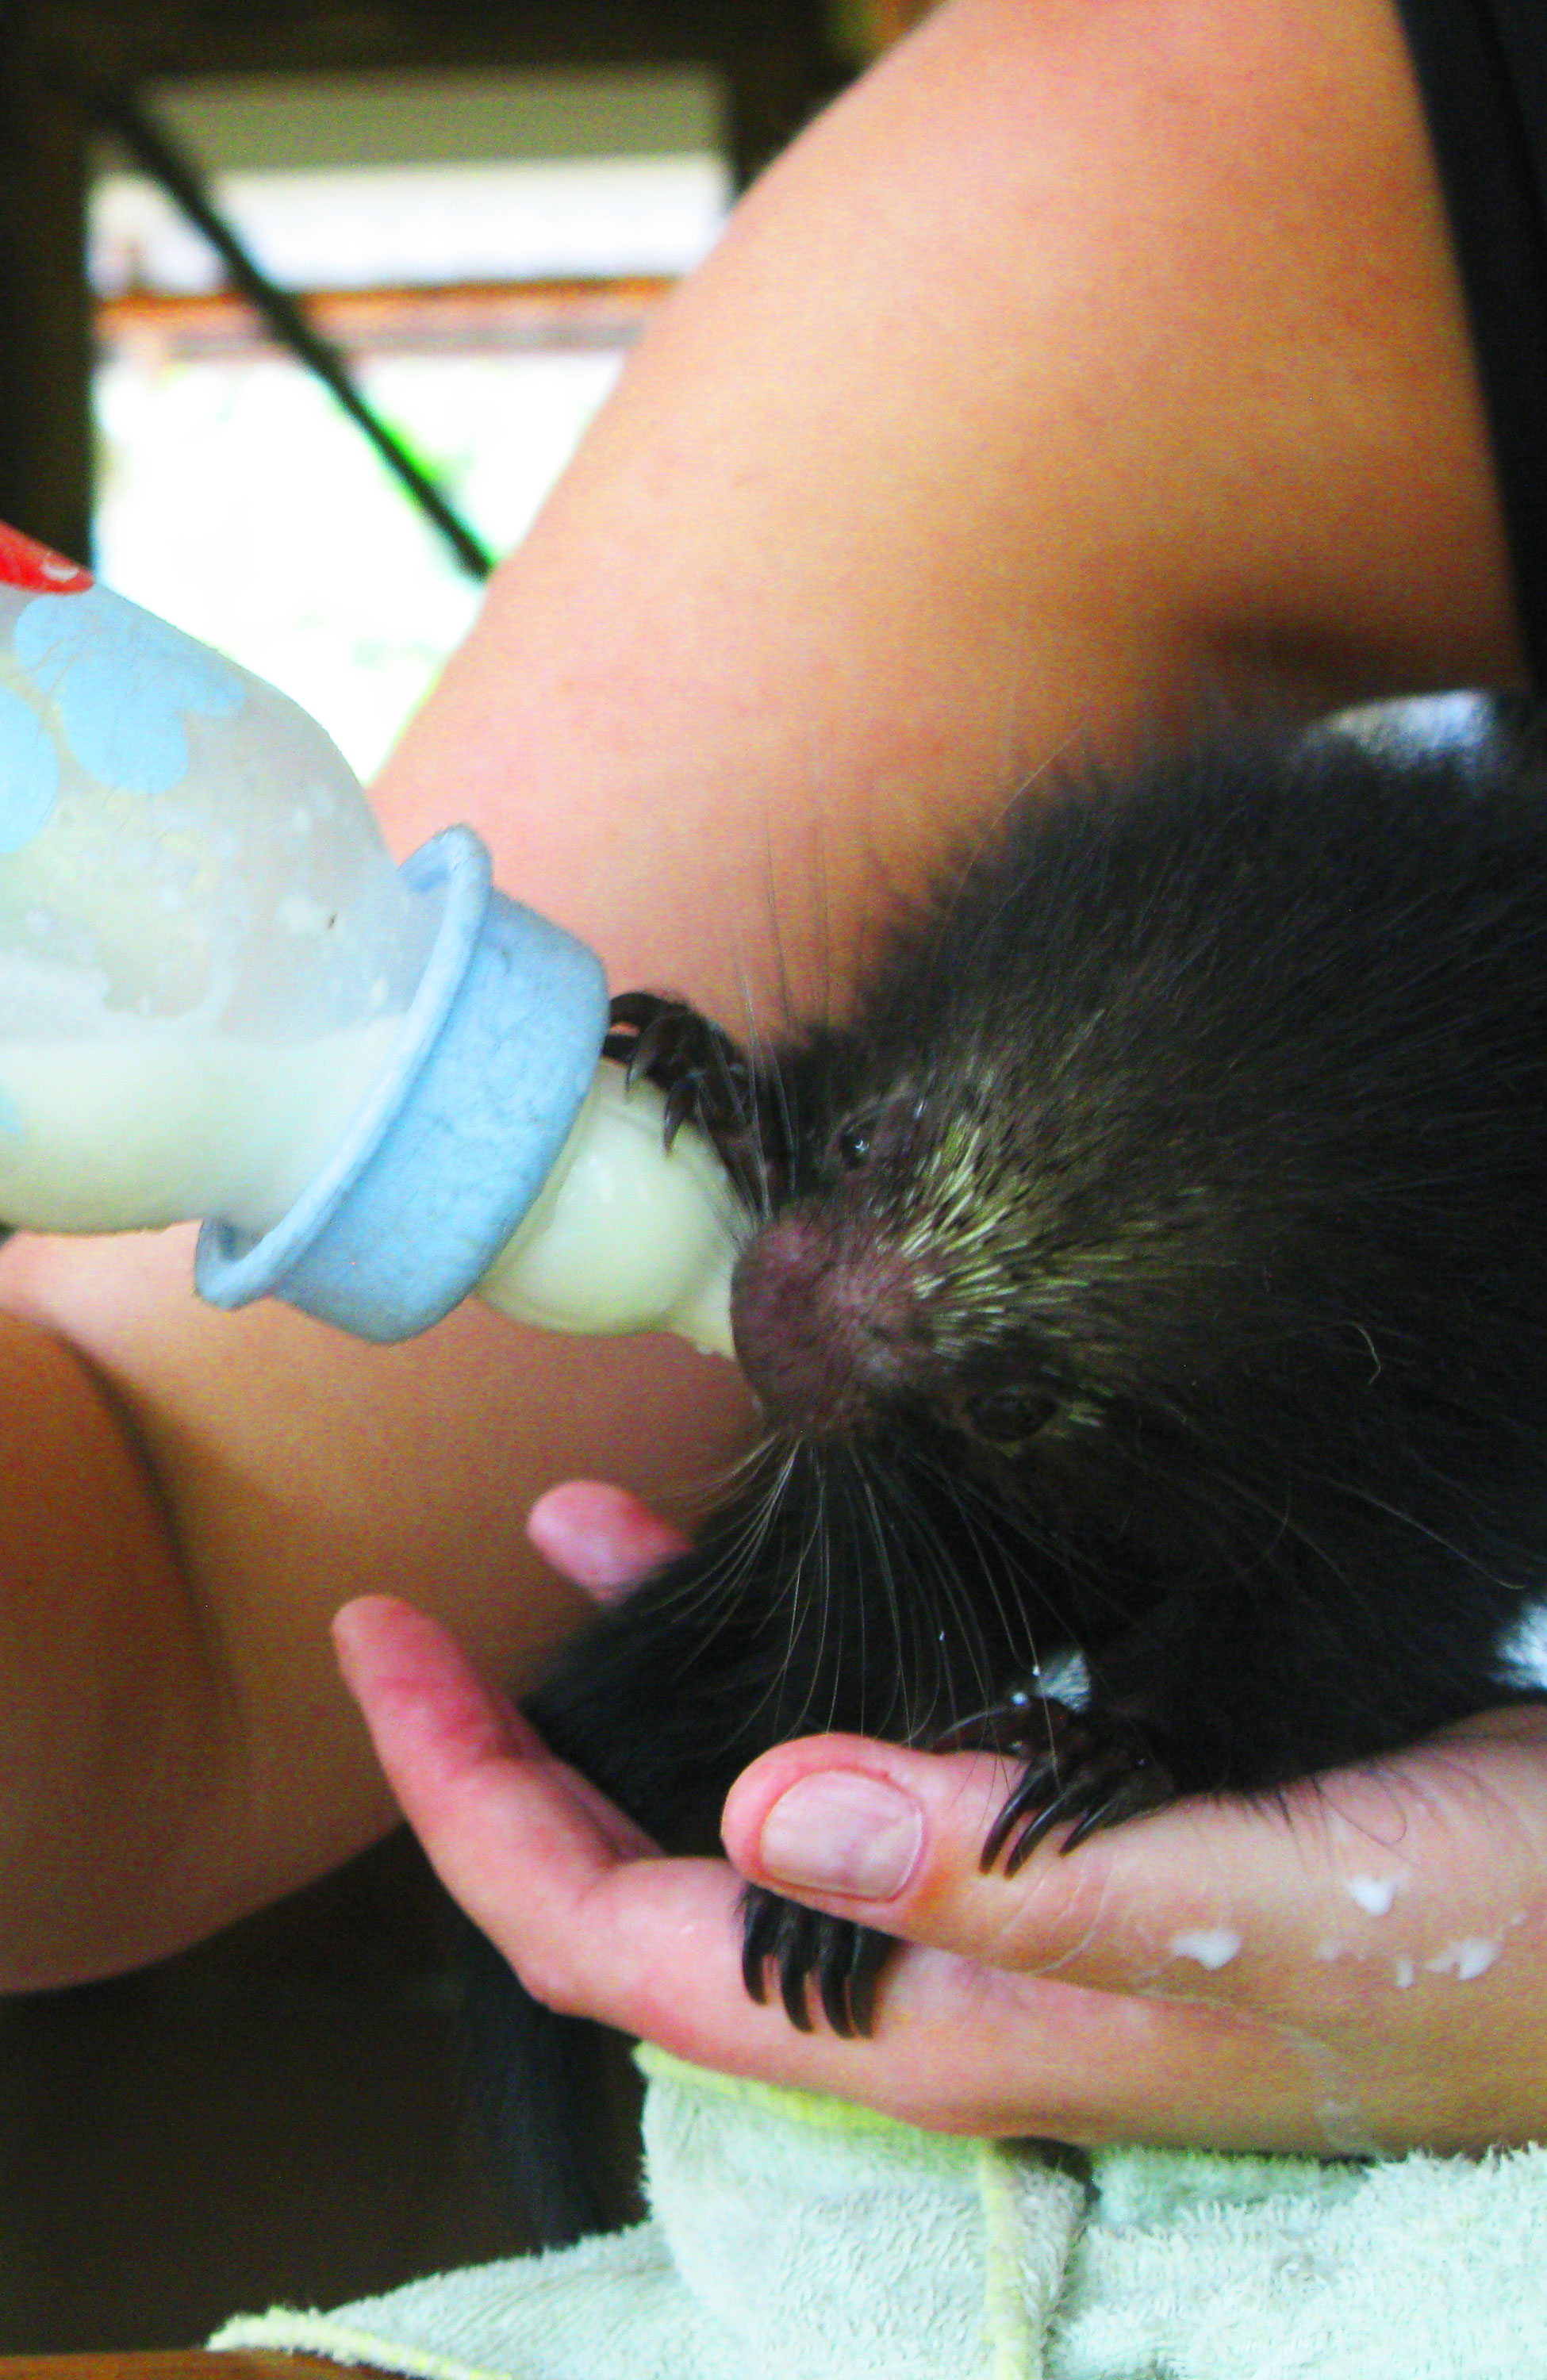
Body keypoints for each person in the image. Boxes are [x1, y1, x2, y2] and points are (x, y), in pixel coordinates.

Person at [2, 0, 1542, 2157]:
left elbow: (1379, 1559)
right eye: (877, 1150)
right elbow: (162, 1547)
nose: (780, 1291)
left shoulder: (1392, 1418)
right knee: (661, 1717)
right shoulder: (1184, 160)